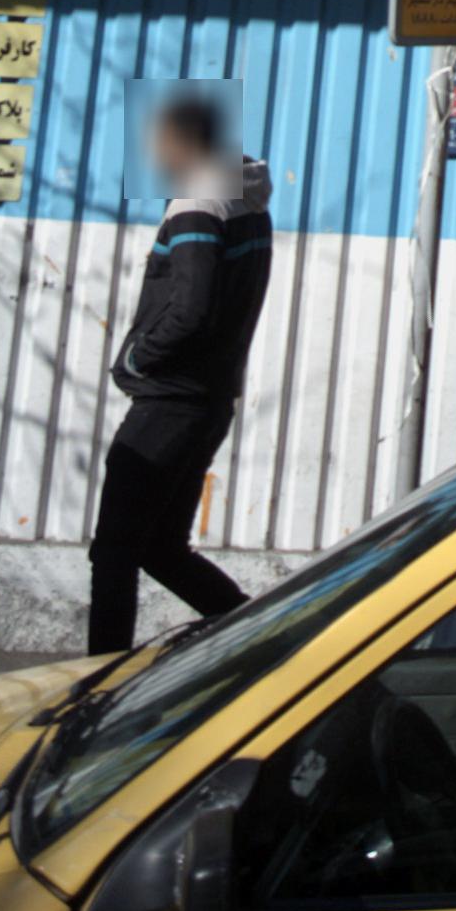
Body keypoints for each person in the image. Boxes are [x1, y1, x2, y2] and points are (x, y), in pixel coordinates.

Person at [88, 94, 273, 655]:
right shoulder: (244, 201)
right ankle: (261, 644)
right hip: (206, 400)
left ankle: (100, 681)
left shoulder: (199, 204)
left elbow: (190, 309)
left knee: (116, 551)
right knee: (161, 549)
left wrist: (138, 358)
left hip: (170, 400)